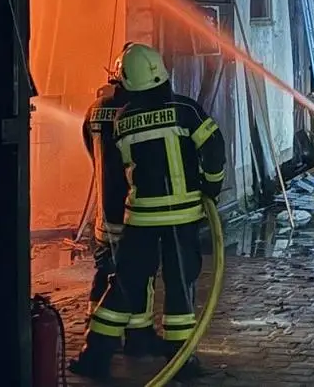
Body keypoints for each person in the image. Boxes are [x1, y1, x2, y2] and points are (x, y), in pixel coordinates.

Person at [70, 43, 226, 378]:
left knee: (125, 284)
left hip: (138, 217)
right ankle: (181, 359)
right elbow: (214, 149)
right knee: (179, 284)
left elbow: (123, 165)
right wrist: (210, 186)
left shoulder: (124, 120)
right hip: (181, 216)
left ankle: (95, 353)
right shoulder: (186, 111)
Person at [81, 62, 141, 352]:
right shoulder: (134, 113)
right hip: (132, 213)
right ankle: (126, 336)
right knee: (133, 274)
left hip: (103, 216)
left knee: (103, 269)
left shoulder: (94, 109)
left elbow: (91, 151)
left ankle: (93, 322)